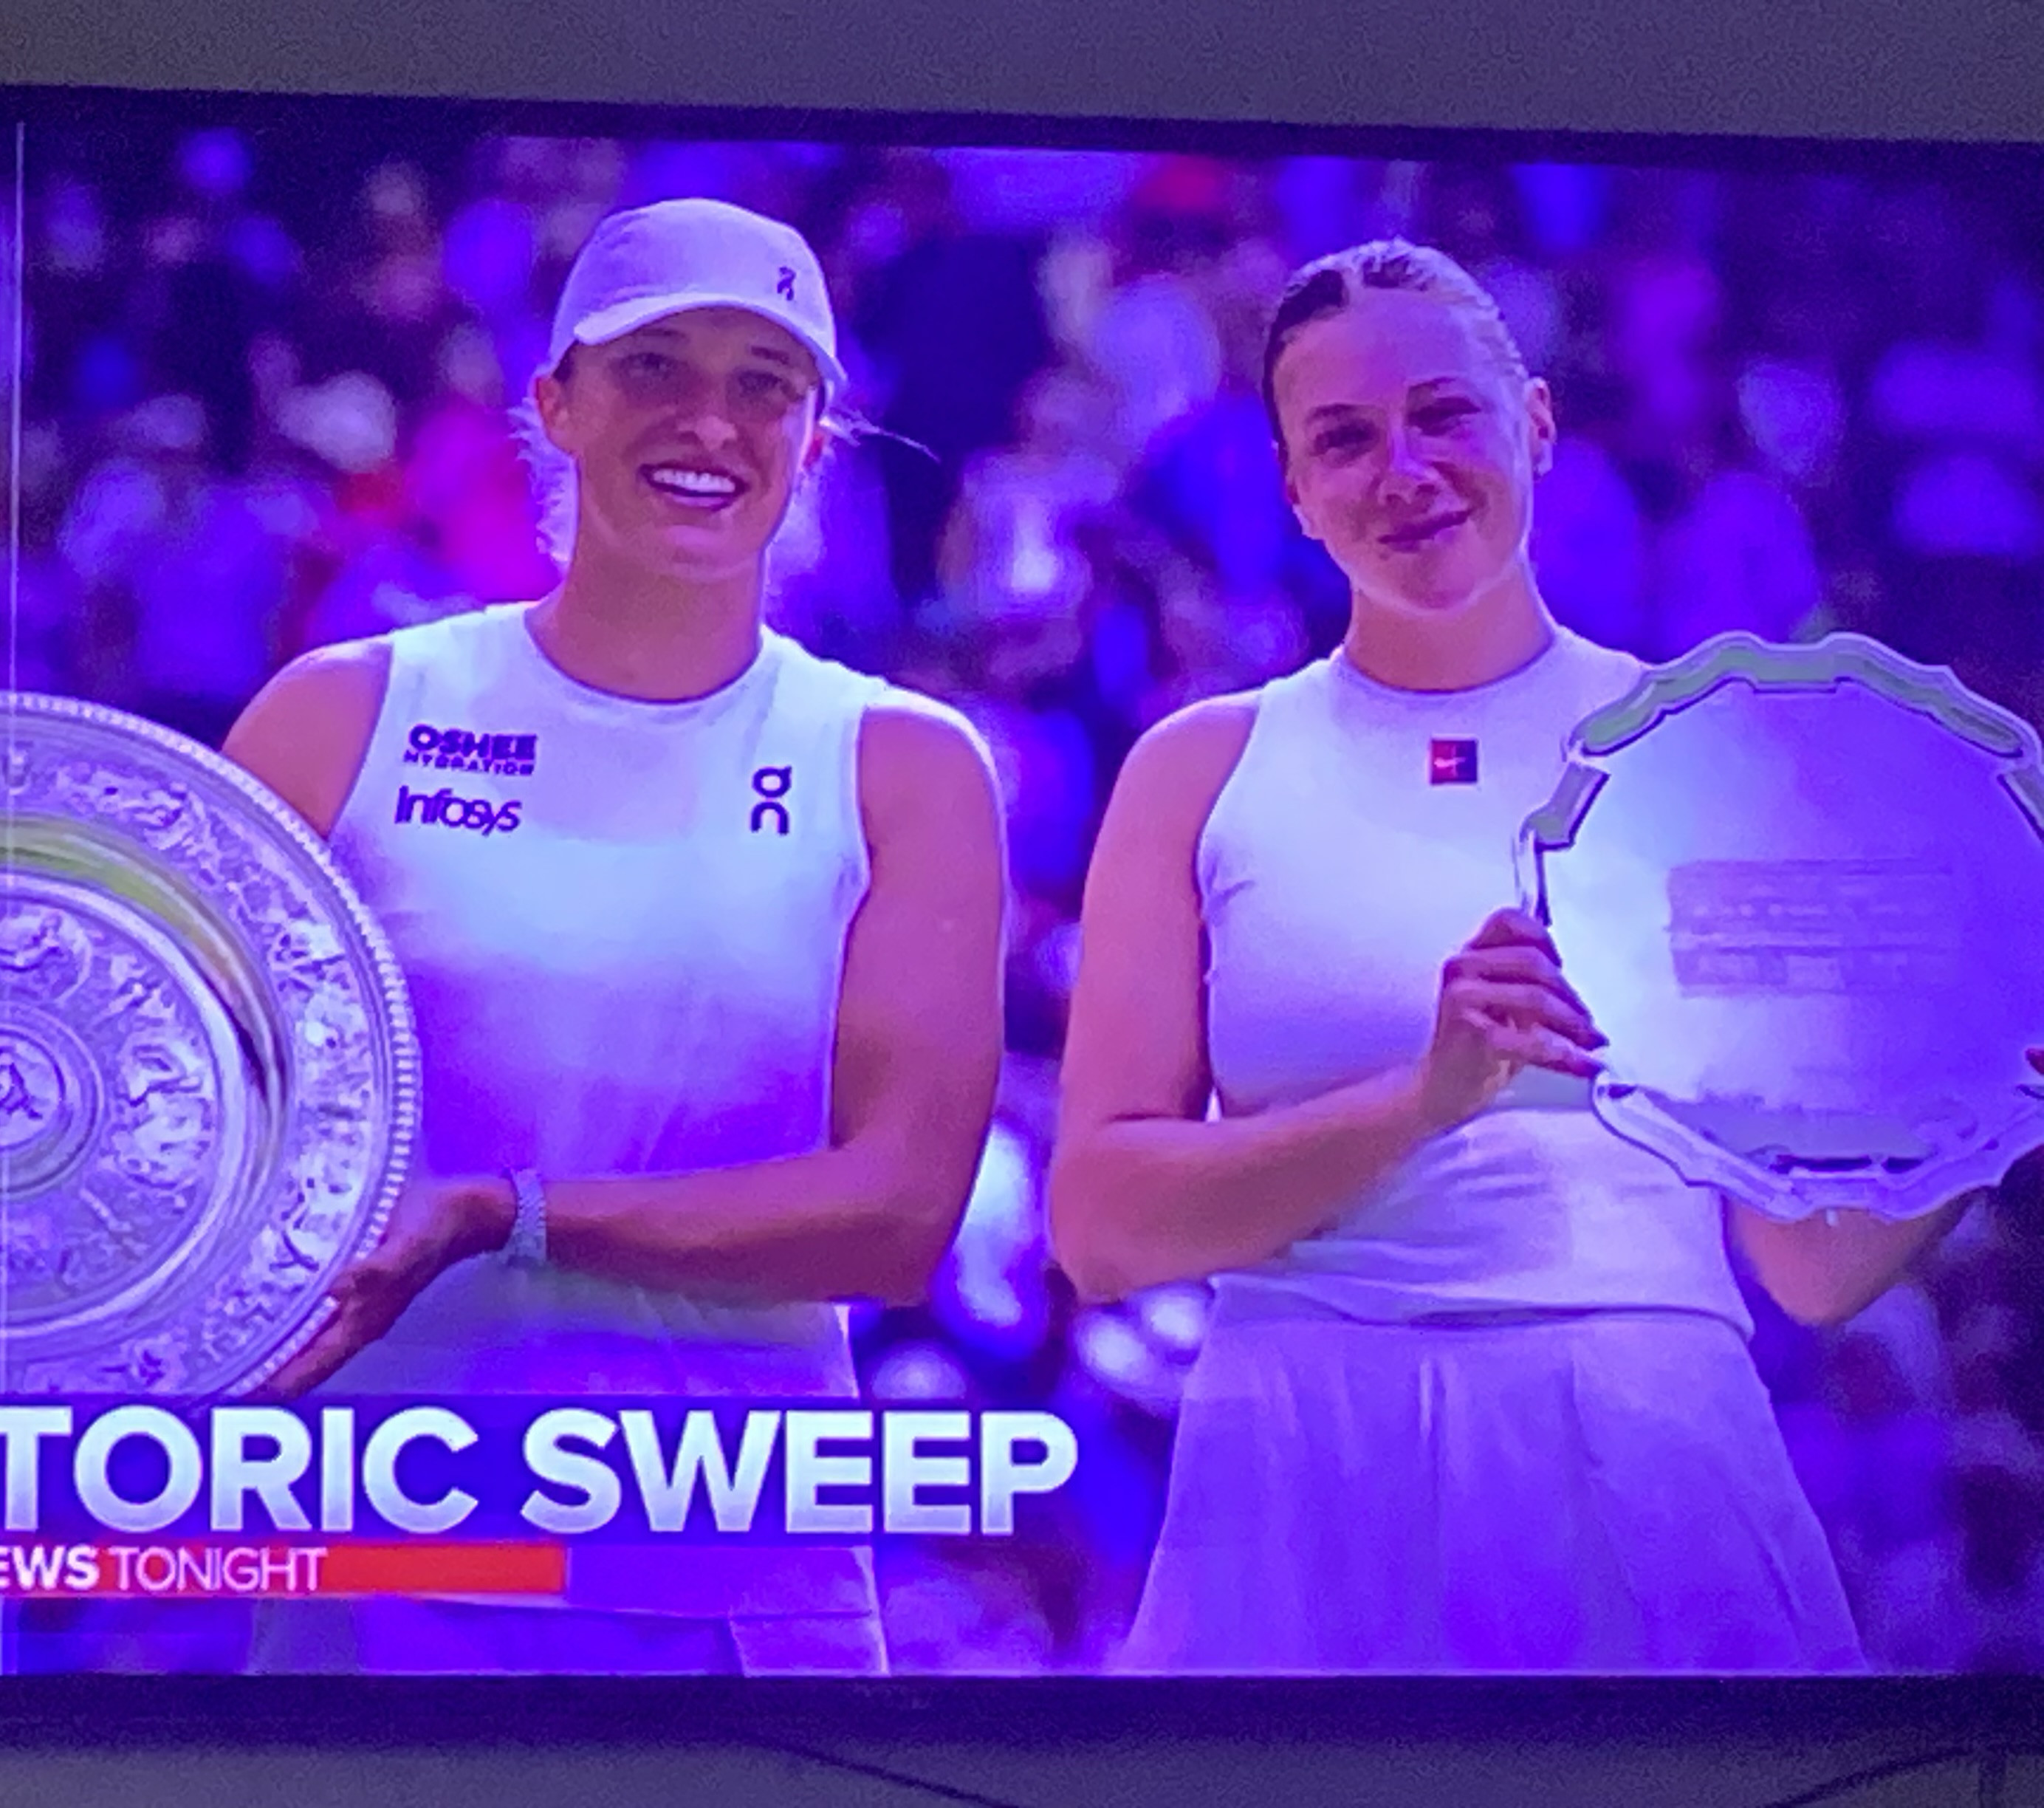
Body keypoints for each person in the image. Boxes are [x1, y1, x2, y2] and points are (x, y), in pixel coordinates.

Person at [1046, 238, 2043, 1674]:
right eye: (1346, 438)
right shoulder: (1198, 769)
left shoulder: (1712, 761)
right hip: (1306, 1457)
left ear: (1536, 425)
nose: (1405, 470)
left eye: (1445, 414)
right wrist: (1421, 1100)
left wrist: (1991, 1101)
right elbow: (1100, 1228)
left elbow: (1808, 1269)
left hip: (1648, 1444)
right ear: (1294, 490)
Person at [221, 196, 1007, 1675]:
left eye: (763, 385)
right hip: (379, 1573)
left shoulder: (899, 764)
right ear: (558, 405)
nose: (709, 423)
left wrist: (504, 1213)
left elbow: (898, 1217)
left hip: (741, 1600)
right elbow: (182, 1116)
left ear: (813, 444)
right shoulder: (345, 716)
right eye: (654, 367)